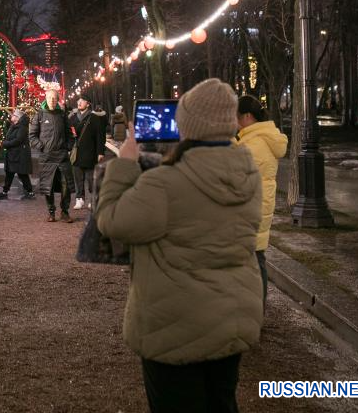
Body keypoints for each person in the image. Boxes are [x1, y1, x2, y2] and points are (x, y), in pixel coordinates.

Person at [97, 78, 263, 412]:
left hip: (173, 324)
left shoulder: (166, 182)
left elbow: (112, 221)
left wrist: (126, 162)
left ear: (186, 124)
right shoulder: (248, 173)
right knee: (221, 401)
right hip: (231, 316)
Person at [236, 94, 288, 312]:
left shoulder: (253, 144)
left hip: (251, 210)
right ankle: (256, 309)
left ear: (247, 116)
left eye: (236, 116)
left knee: (254, 262)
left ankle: (255, 311)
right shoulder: (261, 138)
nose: (234, 121)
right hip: (259, 207)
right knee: (256, 259)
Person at [30, 88, 74, 223]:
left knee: (66, 184)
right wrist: (42, 146)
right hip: (46, 157)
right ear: (45, 99)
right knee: (47, 186)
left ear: (58, 100)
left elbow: (70, 134)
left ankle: (65, 212)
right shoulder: (39, 115)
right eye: (50, 98)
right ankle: (51, 212)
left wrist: (68, 147)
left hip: (62, 156)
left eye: (54, 98)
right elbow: (32, 136)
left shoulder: (62, 115)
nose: (52, 101)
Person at [69, 97, 103, 210]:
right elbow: (68, 135)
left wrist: (100, 152)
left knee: (91, 178)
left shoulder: (94, 118)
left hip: (90, 152)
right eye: (78, 101)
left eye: (82, 101)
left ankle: (92, 199)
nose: (79, 102)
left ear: (88, 104)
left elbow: (100, 136)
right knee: (78, 178)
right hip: (77, 152)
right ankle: (79, 199)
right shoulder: (73, 118)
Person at [0, 109, 35, 200]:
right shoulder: (14, 126)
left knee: (22, 174)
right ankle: (5, 191)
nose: (11, 116)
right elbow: (10, 138)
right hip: (14, 154)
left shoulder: (22, 127)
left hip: (19, 155)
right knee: (10, 173)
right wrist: (6, 143)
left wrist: (6, 144)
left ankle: (30, 192)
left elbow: (18, 140)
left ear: (17, 118)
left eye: (13, 115)